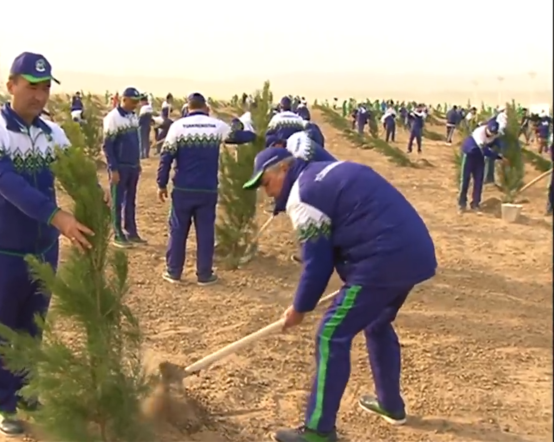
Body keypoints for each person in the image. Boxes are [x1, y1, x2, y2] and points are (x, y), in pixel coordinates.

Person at [242, 147, 437, 442]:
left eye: (266, 182)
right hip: (414, 252)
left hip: (383, 259)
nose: (266, 193)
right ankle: (390, 404)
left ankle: (318, 431)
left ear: (283, 169)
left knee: (331, 335)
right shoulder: (324, 173)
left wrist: (299, 308)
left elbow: (317, 263)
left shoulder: (303, 195)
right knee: (377, 322)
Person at [0, 51, 109, 436]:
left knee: (34, 325)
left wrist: (94, 193)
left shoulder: (52, 133)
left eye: (46, 87)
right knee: (1, 327)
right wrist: (58, 216)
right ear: (10, 85)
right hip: (1, 249)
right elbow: (5, 182)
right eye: (32, 86)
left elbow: (75, 168)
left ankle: (30, 392)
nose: (40, 96)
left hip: (44, 246)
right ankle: (5, 402)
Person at [156, 92, 255, 285]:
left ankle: (174, 271)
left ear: (188, 107)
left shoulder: (177, 127)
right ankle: (204, 274)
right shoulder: (216, 125)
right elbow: (240, 137)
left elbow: (166, 157)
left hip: (183, 189)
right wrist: (248, 129)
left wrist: (161, 183)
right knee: (205, 232)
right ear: (206, 108)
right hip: (207, 189)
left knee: (178, 230)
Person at [103, 86, 145, 248]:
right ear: (124, 99)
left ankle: (131, 231)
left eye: (137, 102)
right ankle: (117, 233)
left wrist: (138, 163)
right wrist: (113, 168)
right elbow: (108, 145)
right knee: (117, 201)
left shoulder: (133, 117)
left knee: (131, 200)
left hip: (133, 166)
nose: (135, 104)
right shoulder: (113, 118)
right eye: (133, 101)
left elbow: (136, 142)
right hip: (120, 166)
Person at [458, 120, 504, 213]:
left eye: (493, 133)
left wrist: (503, 152)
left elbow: (498, 142)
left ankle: (475, 204)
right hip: (470, 154)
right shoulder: (479, 133)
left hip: (479, 157)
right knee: (465, 180)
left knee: (479, 181)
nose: (491, 135)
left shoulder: (495, 134)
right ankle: (462, 204)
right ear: (487, 128)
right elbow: (485, 151)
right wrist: (499, 157)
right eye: (490, 132)